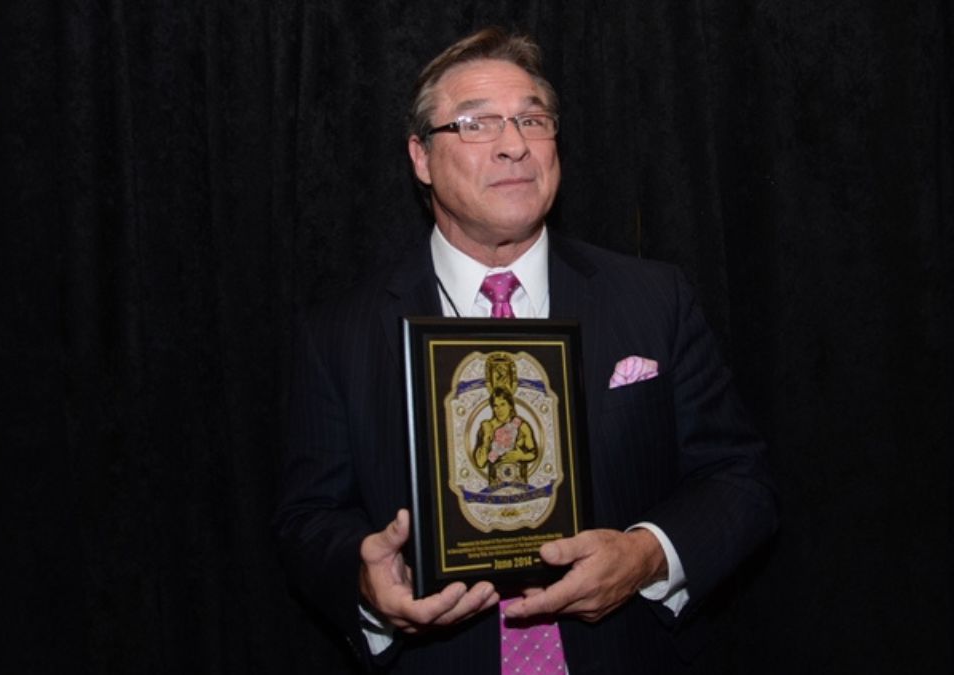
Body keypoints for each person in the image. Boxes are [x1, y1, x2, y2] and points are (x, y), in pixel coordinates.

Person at [275, 27, 778, 674]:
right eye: (476, 124)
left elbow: (741, 480)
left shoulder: (655, 299)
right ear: (421, 158)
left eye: (532, 120)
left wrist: (648, 554)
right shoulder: (340, 334)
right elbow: (307, 517)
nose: (514, 145)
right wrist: (366, 576)